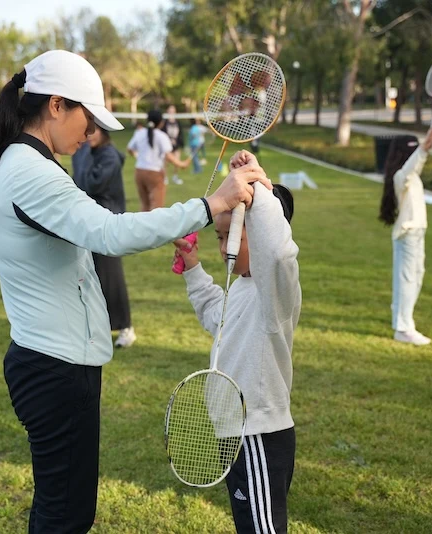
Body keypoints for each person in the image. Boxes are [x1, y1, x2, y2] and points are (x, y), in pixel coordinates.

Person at [0, 50, 272, 534]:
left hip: (57, 364)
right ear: (56, 105)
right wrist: (210, 203)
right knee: (63, 517)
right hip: (54, 369)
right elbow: (110, 232)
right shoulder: (28, 170)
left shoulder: (28, 163)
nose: (90, 133)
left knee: (64, 510)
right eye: (87, 118)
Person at [173, 151, 300, 534]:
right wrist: (194, 266)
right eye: (219, 235)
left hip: (259, 433)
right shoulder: (243, 287)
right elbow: (217, 316)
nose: (224, 245)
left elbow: (276, 252)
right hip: (234, 432)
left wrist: (257, 190)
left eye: (235, 235)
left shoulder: (274, 292)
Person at [71, 128, 137, 348]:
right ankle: (95, 328)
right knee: (89, 276)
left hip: (107, 223)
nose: (89, 134)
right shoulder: (89, 152)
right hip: (88, 221)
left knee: (110, 277)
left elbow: (89, 184)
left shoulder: (108, 156)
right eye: (87, 129)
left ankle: (126, 327)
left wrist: (82, 153)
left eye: (95, 130)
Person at [378, 123, 432, 346]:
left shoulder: (411, 177)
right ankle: (404, 328)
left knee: (415, 276)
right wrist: (423, 148)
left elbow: (416, 166)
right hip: (408, 234)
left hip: (416, 232)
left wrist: (425, 147)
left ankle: (401, 320)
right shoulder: (400, 177)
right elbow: (412, 167)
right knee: (407, 280)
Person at [126, 109, 189, 212]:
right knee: (157, 208)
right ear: (161, 122)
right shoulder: (162, 136)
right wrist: (181, 164)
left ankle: (142, 227)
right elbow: (168, 156)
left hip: (139, 172)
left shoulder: (140, 133)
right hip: (155, 173)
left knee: (144, 205)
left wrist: (137, 156)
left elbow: (130, 149)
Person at [161, 104, 185, 184]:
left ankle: (175, 177)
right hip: (167, 145)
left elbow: (180, 134)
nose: (172, 112)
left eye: (173, 110)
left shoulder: (177, 122)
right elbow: (162, 133)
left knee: (176, 161)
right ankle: (165, 178)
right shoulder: (165, 122)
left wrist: (178, 142)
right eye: (170, 110)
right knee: (166, 162)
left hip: (176, 145)